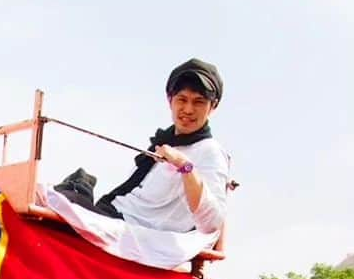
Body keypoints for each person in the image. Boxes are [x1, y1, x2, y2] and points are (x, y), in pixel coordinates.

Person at [54, 59, 230, 236]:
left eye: (198, 102)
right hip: (113, 216)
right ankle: (80, 187)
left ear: (212, 106)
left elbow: (212, 223)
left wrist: (183, 165)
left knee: (55, 203)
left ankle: (79, 190)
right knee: (45, 197)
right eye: (182, 100)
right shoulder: (163, 143)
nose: (188, 109)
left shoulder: (209, 152)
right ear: (170, 101)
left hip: (134, 234)